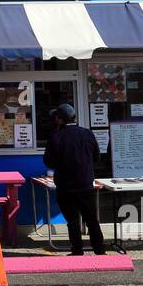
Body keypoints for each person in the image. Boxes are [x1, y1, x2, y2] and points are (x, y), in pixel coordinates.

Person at [42, 103, 106, 255]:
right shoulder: (87, 134)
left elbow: (49, 162)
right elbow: (97, 157)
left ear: (59, 119)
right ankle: (100, 249)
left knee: (72, 220)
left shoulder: (56, 137)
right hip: (86, 183)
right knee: (91, 219)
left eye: (56, 117)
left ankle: (77, 250)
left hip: (65, 186)